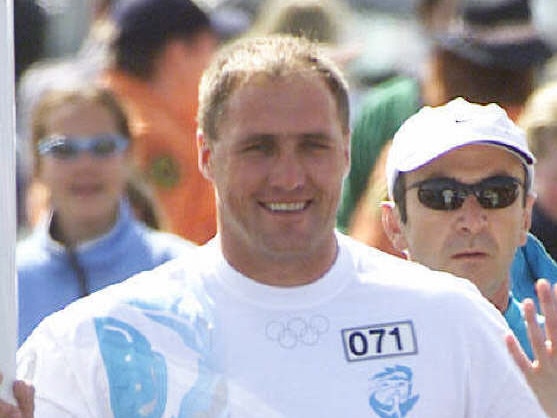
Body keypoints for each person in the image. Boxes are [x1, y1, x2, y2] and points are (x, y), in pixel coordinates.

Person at [2, 35, 547, 417]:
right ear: (207, 154)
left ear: (345, 155)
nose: (288, 177)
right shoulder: (93, 344)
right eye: (259, 148)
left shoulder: (450, 321)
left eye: (312, 145)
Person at [381, 97, 556, 415]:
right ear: (394, 224)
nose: (472, 221)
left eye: (497, 194)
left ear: (525, 218)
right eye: (442, 196)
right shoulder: (351, 349)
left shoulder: (552, 354)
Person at [339, 0, 554, 233]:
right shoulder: (540, 149)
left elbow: (358, 238)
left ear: (447, 65)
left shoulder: (404, 154)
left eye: (500, 194)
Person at [16, 85, 194, 345]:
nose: (85, 165)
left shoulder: (180, 270)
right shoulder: (11, 280)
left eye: (102, 147)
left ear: (130, 156)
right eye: (64, 150)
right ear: (37, 164)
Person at [102, 0, 219, 244]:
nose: (213, 63)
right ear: (178, 54)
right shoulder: (153, 137)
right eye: (209, 50)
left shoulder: (106, 109)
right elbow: (172, 237)